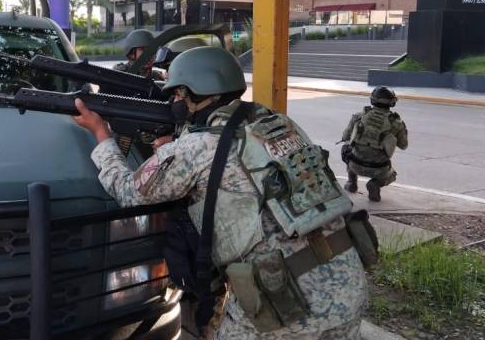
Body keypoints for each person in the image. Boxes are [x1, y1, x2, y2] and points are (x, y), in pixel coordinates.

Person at [73, 46, 368, 339]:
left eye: (178, 94)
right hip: (348, 284)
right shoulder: (278, 123)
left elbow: (127, 191)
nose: (175, 101)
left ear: (198, 95)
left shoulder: (197, 148)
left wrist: (101, 134)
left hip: (286, 305)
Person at [341, 86, 409, 202]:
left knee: (347, 148)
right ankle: (375, 183)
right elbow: (404, 145)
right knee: (393, 174)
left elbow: (345, 137)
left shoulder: (359, 116)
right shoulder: (397, 123)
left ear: (372, 100)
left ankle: (352, 182)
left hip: (355, 164)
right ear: (392, 103)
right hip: (379, 169)